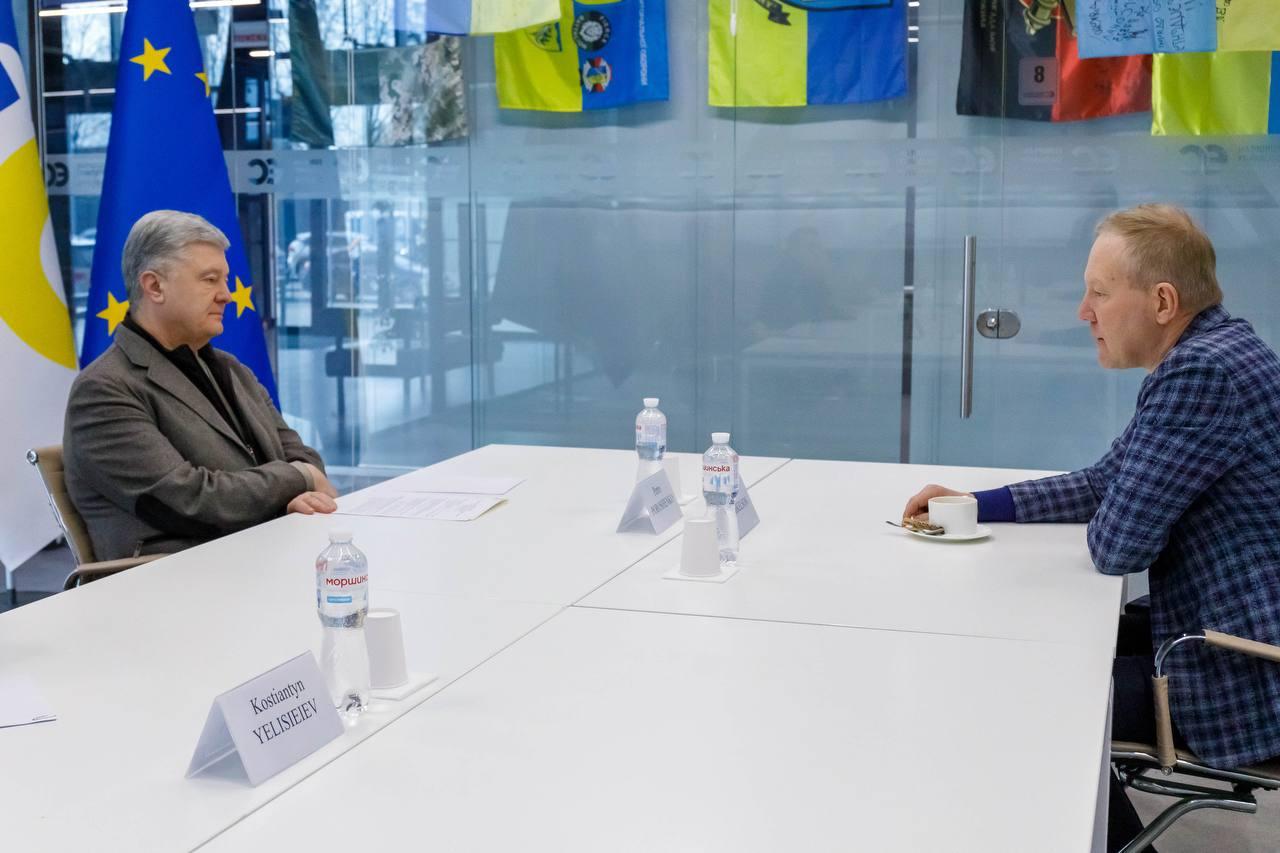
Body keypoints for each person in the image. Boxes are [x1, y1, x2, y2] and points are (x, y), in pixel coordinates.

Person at [904, 204, 1280, 852]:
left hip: (1235, 675)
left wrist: (1135, 500)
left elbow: (1117, 545)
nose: (1084, 312)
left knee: (1021, 695)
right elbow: (1105, 481)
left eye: (1100, 293)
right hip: (1220, 634)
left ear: (1162, 301)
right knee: (1034, 656)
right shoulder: (1213, 349)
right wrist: (975, 503)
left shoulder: (1201, 375)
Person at [65, 210, 337, 562]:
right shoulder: (104, 390)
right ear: (154, 286)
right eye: (210, 280)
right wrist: (296, 481)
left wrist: (297, 487)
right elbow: (189, 499)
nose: (226, 295)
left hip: (260, 558)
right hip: (177, 579)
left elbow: (302, 456)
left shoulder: (231, 369)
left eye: (225, 280)